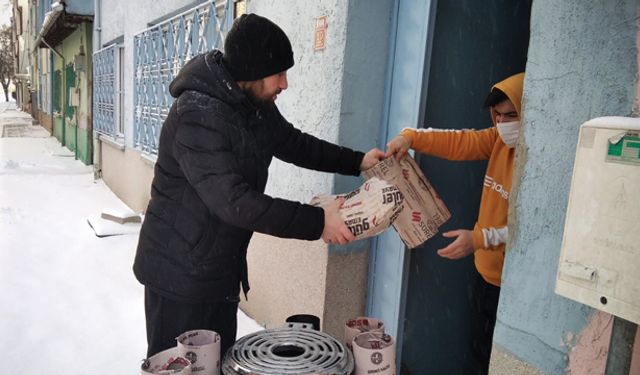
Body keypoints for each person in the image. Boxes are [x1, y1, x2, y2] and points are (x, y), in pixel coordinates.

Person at [133, 13, 385, 358]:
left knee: (218, 365)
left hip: (218, 271)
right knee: (179, 366)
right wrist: (318, 221)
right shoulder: (196, 115)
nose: (284, 84)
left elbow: (294, 143)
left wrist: (357, 161)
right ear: (251, 71)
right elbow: (235, 202)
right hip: (179, 276)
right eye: (279, 74)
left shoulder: (254, 106)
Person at [385, 72, 524, 374]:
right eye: (497, 116)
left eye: (511, 115)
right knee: (479, 350)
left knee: (500, 361)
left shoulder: (537, 162)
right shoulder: (498, 140)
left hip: (515, 286)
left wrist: (480, 239)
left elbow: (534, 231)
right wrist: (410, 137)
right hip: (485, 275)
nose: (503, 124)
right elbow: (459, 142)